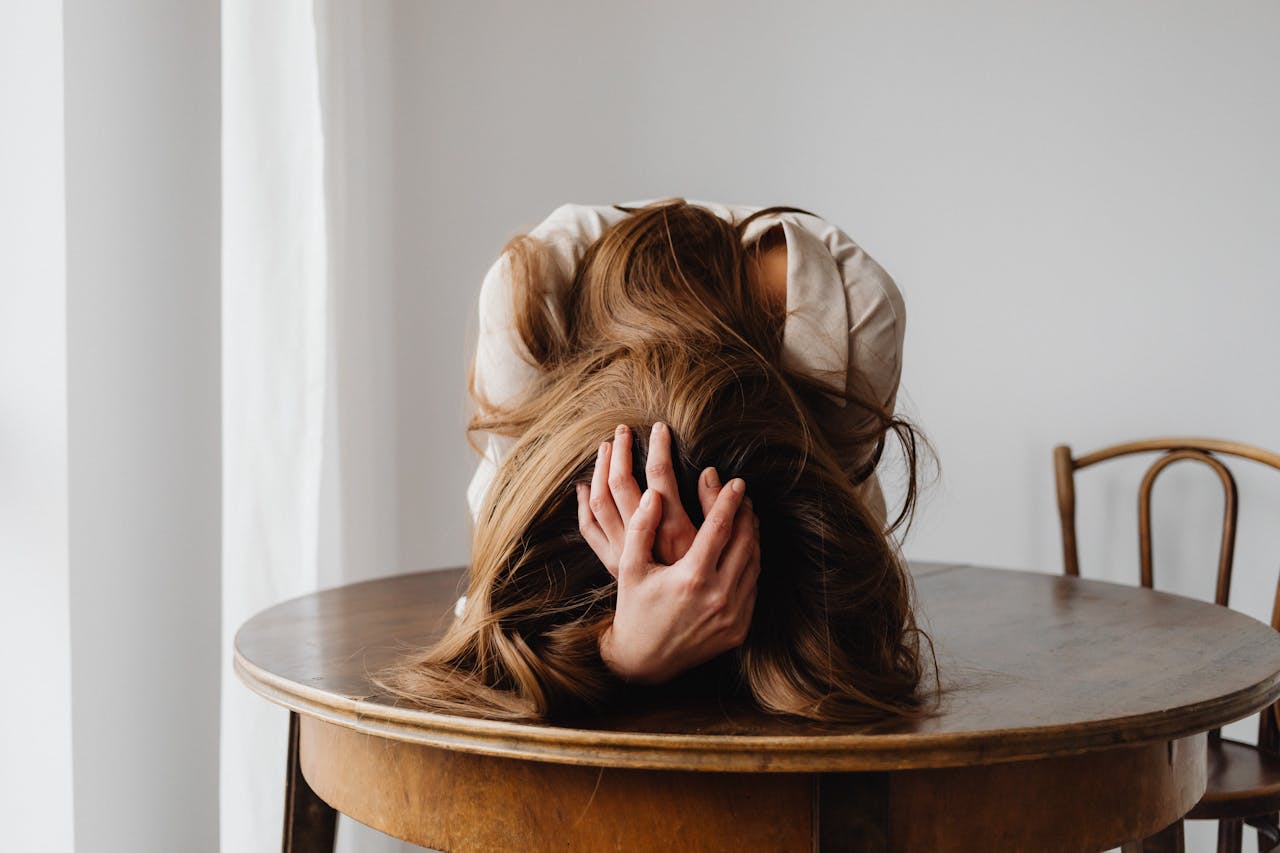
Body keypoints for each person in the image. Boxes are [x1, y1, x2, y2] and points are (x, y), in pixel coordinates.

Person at [381, 199, 927, 723]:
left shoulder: (846, 323)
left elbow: (854, 645)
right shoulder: (528, 306)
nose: (686, 579)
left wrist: (727, 592)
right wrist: (620, 651)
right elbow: (487, 624)